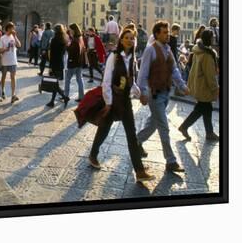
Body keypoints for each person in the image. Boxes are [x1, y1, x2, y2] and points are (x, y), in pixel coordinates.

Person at [88, 29, 155, 183]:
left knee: (131, 134)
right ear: (121, 40)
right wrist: (108, 103)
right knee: (104, 128)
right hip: (114, 100)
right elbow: (106, 81)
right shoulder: (114, 56)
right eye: (126, 37)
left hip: (125, 101)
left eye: (132, 38)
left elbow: (131, 82)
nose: (130, 40)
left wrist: (140, 95)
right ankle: (93, 155)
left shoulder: (132, 58)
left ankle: (139, 171)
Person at [136, 21, 189, 173]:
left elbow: (174, 70)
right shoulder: (150, 50)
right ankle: (171, 161)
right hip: (155, 94)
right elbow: (143, 74)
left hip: (166, 93)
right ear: (157, 34)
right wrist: (143, 92)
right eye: (165, 32)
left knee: (153, 123)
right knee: (164, 127)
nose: (168, 35)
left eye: (168, 32)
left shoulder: (168, 49)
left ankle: (136, 141)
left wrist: (182, 85)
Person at [178, 29, 220, 141]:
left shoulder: (198, 50)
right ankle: (184, 127)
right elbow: (210, 75)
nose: (214, 39)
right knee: (202, 109)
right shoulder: (207, 54)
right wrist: (215, 88)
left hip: (199, 84)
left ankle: (209, 132)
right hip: (204, 87)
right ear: (209, 39)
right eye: (213, 37)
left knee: (206, 108)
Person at [45, 24, 69, 108]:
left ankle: (64, 97)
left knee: (54, 84)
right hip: (60, 64)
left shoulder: (54, 40)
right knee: (55, 83)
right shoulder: (64, 40)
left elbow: (52, 55)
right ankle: (53, 101)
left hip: (54, 64)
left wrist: (50, 67)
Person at [0, 22, 21, 104]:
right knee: (3, 77)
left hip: (13, 61)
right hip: (5, 61)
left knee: (13, 77)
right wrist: (5, 49)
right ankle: (2, 91)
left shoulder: (13, 37)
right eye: (12, 28)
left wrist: (15, 36)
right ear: (8, 28)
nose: (13, 29)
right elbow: (0, 50)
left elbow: (19, 45)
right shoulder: (3, 38)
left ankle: (13, 95)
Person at [64, 23, 86, 104]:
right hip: (79, 63)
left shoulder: (75, 40)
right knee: (79, 79)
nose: (69, 31)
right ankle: (81, 96)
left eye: (70, 29)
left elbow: (71, 51)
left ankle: (65, 96)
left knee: (67, 79)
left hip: (73, 63)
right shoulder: (80, 38)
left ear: (73, 30)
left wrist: (67, 45)